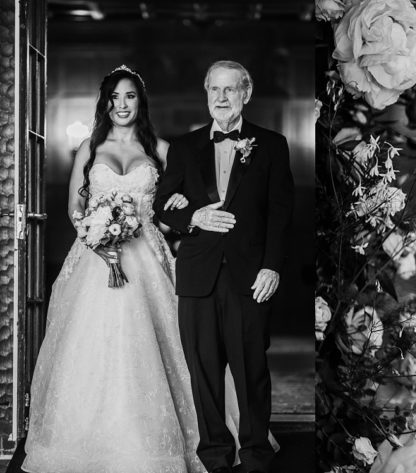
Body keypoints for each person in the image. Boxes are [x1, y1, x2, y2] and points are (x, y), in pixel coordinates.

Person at [23, 66, 205, 472]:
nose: (122, 105)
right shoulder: (91, 145)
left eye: (130, 97)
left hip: (146, 258)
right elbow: (74, 204)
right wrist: (93, 231)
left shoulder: (160, 148)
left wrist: (166, 213)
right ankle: (88, 439)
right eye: (115, 98)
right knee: (91, 346)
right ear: (106, 103)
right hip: (95, 259)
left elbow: (174, 207)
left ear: (141, 102)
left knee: (158, 344)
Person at [154, 60, 294, 473]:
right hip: (197, 276)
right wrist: (192, 217)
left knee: (251, 370)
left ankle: (254, 456)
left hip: (250, 278)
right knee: (204, 373)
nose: (220, 97)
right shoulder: (183, 147)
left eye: (229, 89)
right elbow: (162, 205)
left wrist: (272, 267)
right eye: (213, 89)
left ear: (245, 94)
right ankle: (215, 458)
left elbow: (281, 213)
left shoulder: (272, 144)